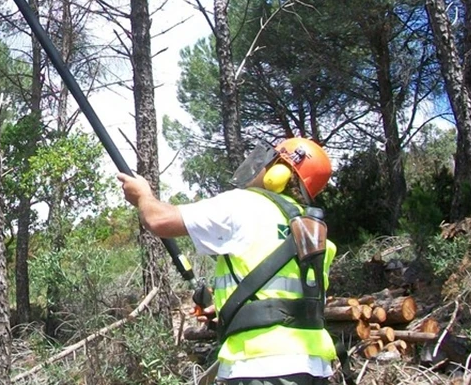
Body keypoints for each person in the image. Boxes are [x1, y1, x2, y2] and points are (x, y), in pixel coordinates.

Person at [118, 137, 338, 385]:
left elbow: (158, 220)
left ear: (280, 172)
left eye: (269, 160)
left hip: (259, 366)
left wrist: (143, 196)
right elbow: (287, 301)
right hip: (314, 367)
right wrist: (230, 309)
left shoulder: (245, 205)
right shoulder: (315, 233)